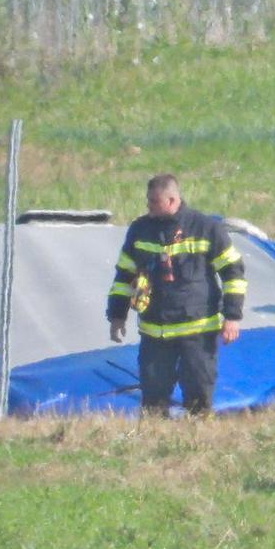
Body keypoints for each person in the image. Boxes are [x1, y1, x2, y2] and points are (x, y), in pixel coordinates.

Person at [106, 174, 247, 415]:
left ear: (172, 200)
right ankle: (153, 438)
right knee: (153, 396)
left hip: (197, 330)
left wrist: (232, 316)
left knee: (198, 392)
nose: (148, 207)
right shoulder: (140, 230)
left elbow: (233, 273)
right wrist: (117, 315)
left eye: (154, 202)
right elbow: (123, 276)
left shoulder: (206, 229)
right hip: (154, 332)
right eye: (148, 201)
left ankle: (197, 439)